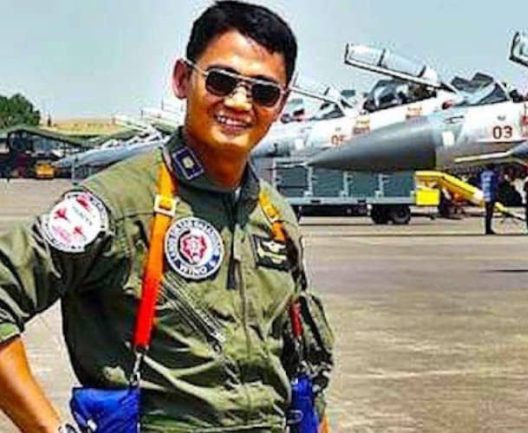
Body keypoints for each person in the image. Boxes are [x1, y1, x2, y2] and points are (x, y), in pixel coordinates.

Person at [0, 2, 334, 432]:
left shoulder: (275, 217)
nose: (239, 102)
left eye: (263, 91)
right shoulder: (119, 203)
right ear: (182, 79)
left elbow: (302, 371)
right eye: (221, 80)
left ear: (281, 104)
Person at [481, 164, 498, 234]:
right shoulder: (493, 174)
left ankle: (487, 228)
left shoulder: (483, 175)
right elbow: (495, 185)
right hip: (492, 195)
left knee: (487, 213)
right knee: (490, 213)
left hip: (485, 195)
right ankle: (488, 229)